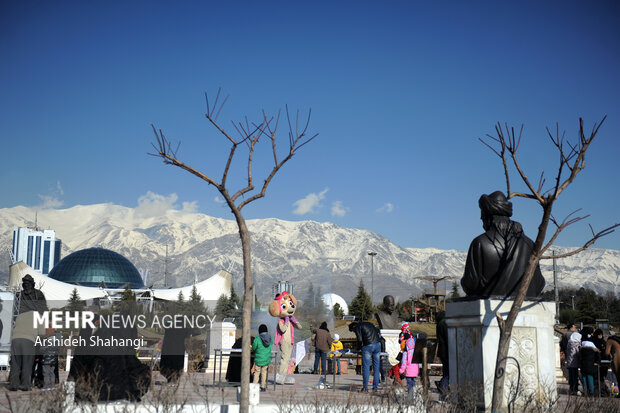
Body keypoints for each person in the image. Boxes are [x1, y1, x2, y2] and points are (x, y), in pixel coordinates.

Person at [461, 191, 545, 298]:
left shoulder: (480, 243)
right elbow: (539, 283)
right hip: (524, 309)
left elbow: (471, 284)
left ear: (488, 215)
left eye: (482, 213)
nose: (480, 218)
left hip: (489, 310)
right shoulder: (529, 244)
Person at [9, 275, 47, 391]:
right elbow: (42, 331)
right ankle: (25, 384)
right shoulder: (37, 314)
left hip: (15, 338)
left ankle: (14, 384)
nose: (27, 285)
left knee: (15, 363)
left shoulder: (21, 313)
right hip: (28, 340)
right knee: (27, 362)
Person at [349, 321, 381, 392]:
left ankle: (365, 388)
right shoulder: (370, 323)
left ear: (353, 327)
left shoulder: (357, 327)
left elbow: (360, 340)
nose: (354, 332)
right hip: (377, 345)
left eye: (353, 331)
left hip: (368, 346)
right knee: (376, 367)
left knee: (366, 367)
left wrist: (357, 348)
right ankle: (375, 388)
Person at [251, 324, 272, 392]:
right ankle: (263, 387)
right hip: (266, 359)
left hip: (258, 359)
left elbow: (254, 347)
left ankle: (254, 386)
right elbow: (270, 345)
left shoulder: (257, 338)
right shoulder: (270, 338)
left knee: (257, 372)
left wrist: (252, 347)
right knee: (264, 373)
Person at [580, 327, 600, 397]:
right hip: (591, 364)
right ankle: (591, 392)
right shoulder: (593, 348)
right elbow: (597, 355)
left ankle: (585, 391)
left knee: (584, 378)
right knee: (590, 378)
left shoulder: (582, 347)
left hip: (583, 364)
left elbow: (579, 356)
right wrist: (597, 362)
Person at [435, 311, 449, 398]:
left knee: (446, 372)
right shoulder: (444, 323)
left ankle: (441, 385)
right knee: (448, 373)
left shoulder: (439, 324)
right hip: (446, 351)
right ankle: (443, 391)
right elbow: (447, 338)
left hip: (441, 351)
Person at [592, 329, 610, 396]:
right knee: (597, 379)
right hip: (597, 363)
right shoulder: (594, 342)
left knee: (601, 378)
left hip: (602, 364)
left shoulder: (603, 342)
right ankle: (600, 391)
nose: (600, 336)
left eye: (601, 334)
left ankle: (602, 391)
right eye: (599, 334)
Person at [565, 331, 582, 396]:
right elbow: (577, 353)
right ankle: (575, 390)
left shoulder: (569, 343)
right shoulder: (576, 344)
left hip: (569, 363)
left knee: (571, 377)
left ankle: (571, 389)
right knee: (575, 377)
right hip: (574, 363)